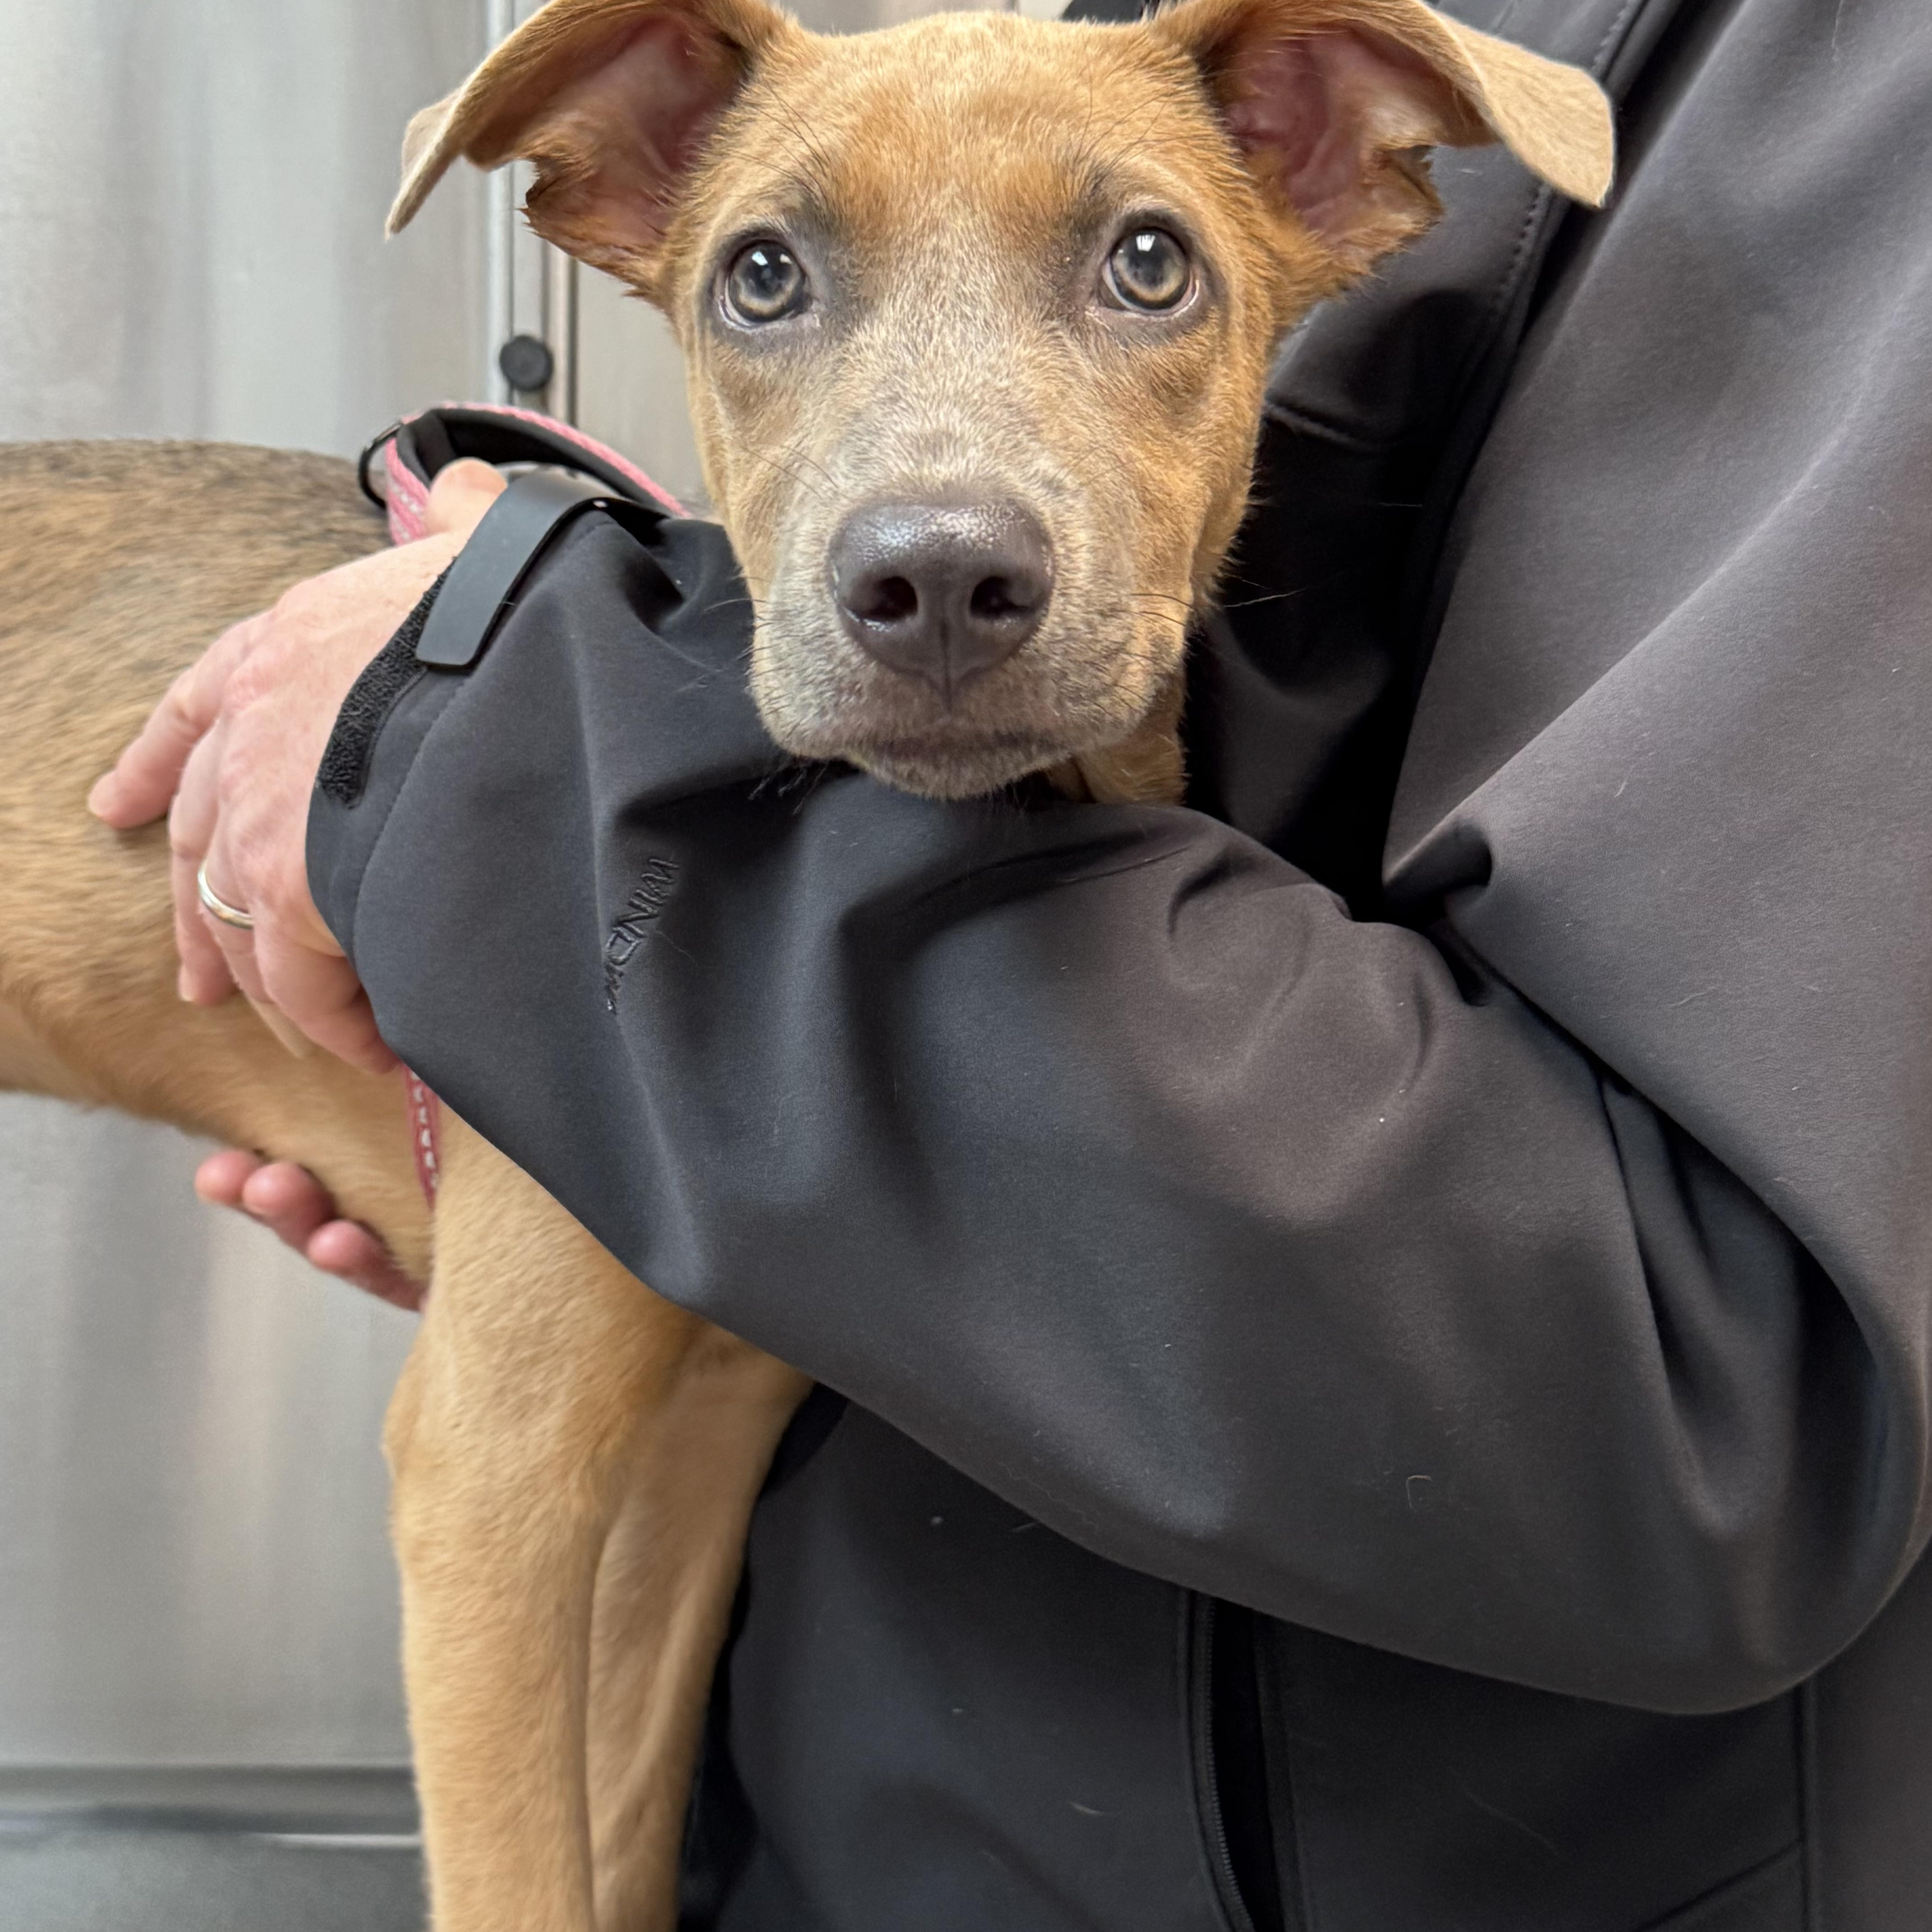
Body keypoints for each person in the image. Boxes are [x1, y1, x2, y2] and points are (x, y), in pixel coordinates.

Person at [85, 0, 1932, 1923]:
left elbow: (1710, 1404)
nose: (937, 526)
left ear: (1332, 165)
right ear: (611, 184)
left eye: (1141, 263)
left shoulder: (1835, 101)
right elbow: (504, 1492)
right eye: (774, 273)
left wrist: (521, 758)